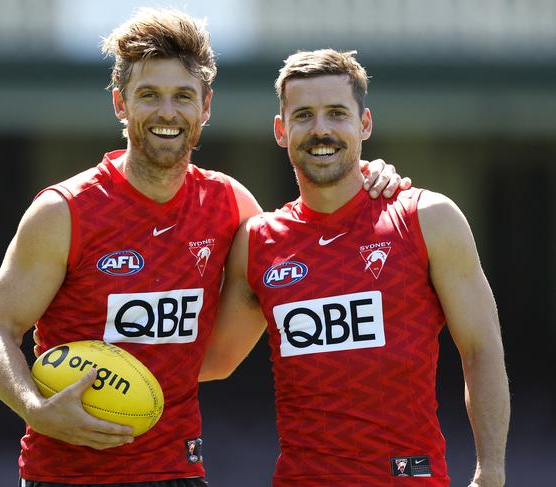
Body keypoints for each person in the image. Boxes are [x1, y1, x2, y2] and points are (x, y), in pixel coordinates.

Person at [0, 9, 408, 487]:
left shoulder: (232, 205)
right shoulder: (64, 211)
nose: (167, 112)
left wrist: (361, 176)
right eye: (149, 96)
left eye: (183, 96)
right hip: (66, 474)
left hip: (178, 470)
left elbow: (301, 246)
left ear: (206, 106)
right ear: (120, 103)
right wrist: (38, 409)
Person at [200, 49, 510, 486]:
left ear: (364, 124)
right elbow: (211, 361)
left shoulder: (428, 218)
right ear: (280, 130)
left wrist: (491, 473)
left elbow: (482, 349)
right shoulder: (257, 242)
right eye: (303, 115)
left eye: (337, 113)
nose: (321, 129)